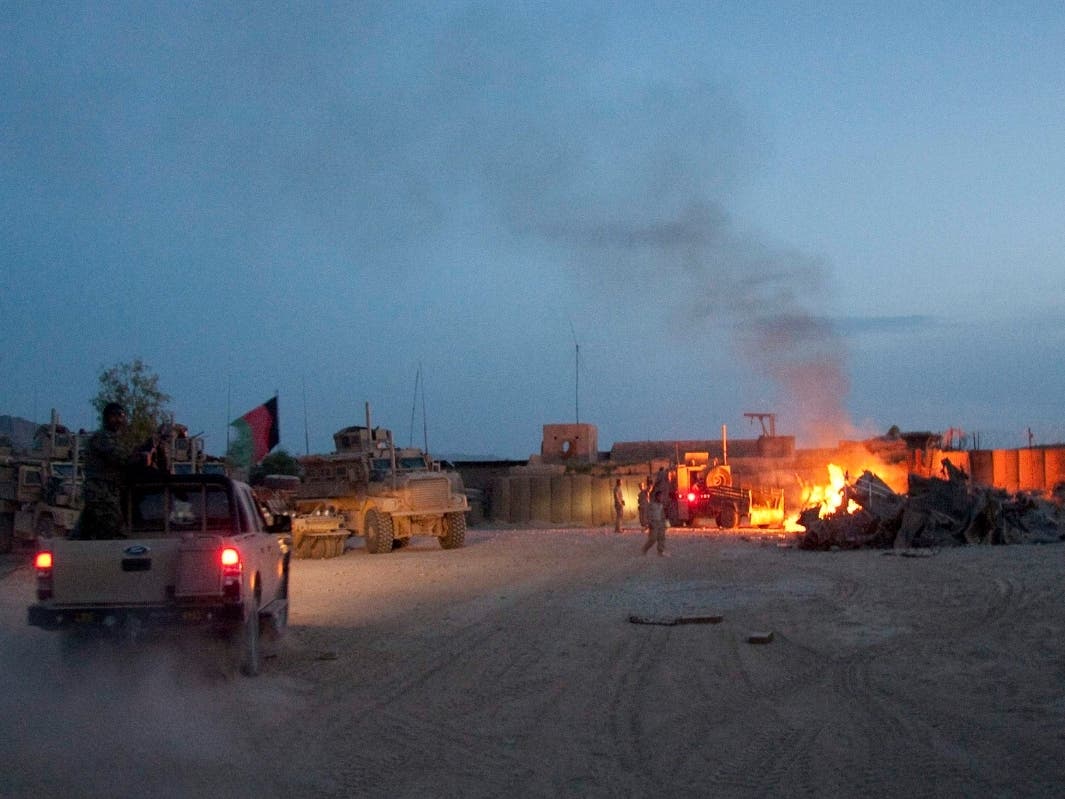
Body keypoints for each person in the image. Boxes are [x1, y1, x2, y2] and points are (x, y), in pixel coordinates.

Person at [76, 402, 135, 539]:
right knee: (112, 526)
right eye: (114, 416)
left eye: (121, 416)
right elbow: (120, 459)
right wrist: (139, 456)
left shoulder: (113, 438)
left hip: (107, 491)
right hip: (100, 491)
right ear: (106, 418)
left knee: (88, 529)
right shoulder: (102, 438)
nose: (118, 420)